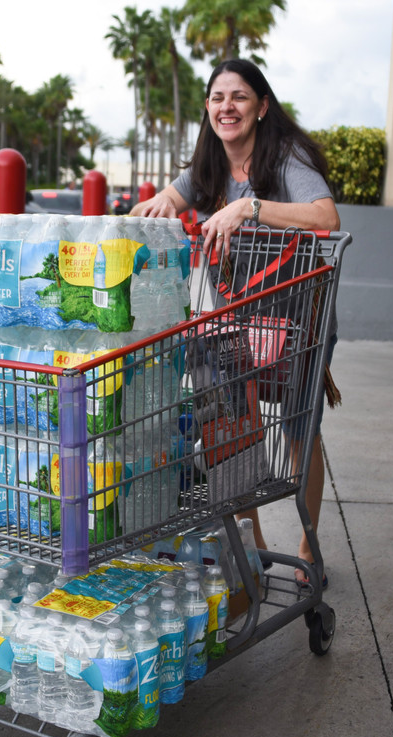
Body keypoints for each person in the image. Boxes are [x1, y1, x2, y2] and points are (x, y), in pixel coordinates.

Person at [131, 58, 340, 589]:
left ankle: (308, 547)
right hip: (235, 323)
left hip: (296, 320)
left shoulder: (286, 158)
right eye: (218, 97)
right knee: (234, 432)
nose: (228, 107)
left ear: (262, 106)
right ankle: (253, 545)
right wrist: (146, 212)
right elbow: (168, 200)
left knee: (298, 428)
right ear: (207, 107)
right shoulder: (207, 164)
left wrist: (249, 209)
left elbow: (325, 217)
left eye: (240, 97)